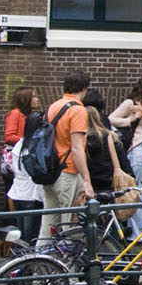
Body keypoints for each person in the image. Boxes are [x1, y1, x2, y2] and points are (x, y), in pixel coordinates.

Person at [43, 70, 93, 233]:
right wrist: (86, 180)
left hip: (51, 170)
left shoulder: (53, 106)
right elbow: (77, 147)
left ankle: (39, 257)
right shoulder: (78, 110)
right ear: (84, 88)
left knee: (49, 223)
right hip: (67, 170)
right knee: (66, 227)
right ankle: (62, 257)